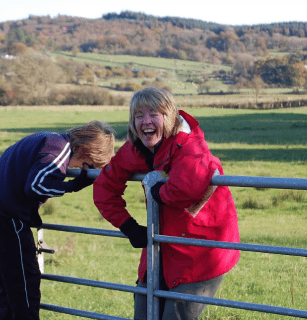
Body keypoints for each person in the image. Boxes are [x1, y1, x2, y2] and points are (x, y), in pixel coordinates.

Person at [93, 87, 240, 320]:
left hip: (200, 252)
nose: (146, 121)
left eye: (154, 114)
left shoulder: (190, 145)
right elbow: (103, 188)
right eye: (139, 116)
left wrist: (158, 191)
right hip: (160, 248)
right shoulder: (136, 149)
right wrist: (129, 226)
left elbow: (187, 187)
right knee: (143, 313)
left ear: (169, 117)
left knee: (175, 316)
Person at [0, 120, 115, 320]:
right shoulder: (59, 149)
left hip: (6, 215)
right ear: (82, 150)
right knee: (24, 285)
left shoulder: (47, 139)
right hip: (9, 221)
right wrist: (73, 185)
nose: (79, 169)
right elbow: (35, 186)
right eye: (87, 165)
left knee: (6, 288)